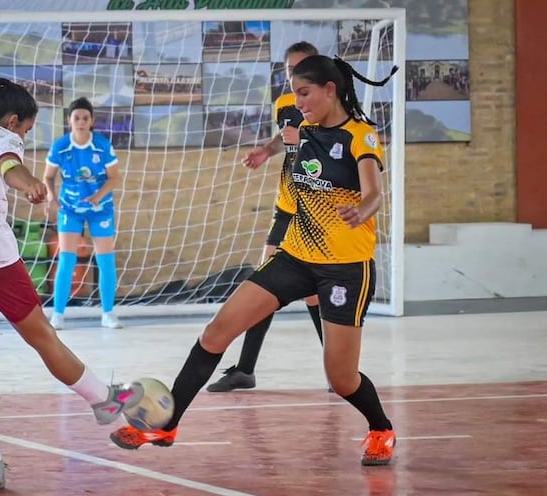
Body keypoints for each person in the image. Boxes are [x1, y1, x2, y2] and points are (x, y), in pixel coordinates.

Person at [109, 55, 399, 466]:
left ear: (329, 90)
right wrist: (265, 151)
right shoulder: (308, 129)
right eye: (295, 93)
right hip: (295, 257)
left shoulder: (360, 136)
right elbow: (288, 138)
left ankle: (381, 428)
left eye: (305, 93)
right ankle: (166, 424)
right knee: (216, 332)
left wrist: (363, 210)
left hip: (345, 269)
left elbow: (373, 189)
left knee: (341, 377)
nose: (297, 102)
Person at [0, 78, 142, 491]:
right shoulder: (1, 136)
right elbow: (8, 167)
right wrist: (31, 184)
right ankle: (103, 402)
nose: (22, 137)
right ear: (14, 120)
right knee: (43, 339)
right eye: (26, 131)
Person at [206, 41, 326, 393]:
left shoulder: (333, 104)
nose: (295, 75)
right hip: (287, 203)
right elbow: (284, 137)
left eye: (302, 67)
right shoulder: (285, 103)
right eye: (290, 69)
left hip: (316, 205)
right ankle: (245, 369)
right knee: (265, 283)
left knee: (312, 294)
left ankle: (338, 371)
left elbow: (334, 148)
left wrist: (301, 139)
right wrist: (267, 150)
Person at [44, 97, 123, 330]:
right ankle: (58, 314)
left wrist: (98, 196)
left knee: (105, 260)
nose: (80, 122)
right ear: (69, 120)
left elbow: (114, 177)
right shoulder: (60, 146)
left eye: (85, 118)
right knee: (67, 259)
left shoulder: (102, 145)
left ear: (92, 121)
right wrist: (51, 195)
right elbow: (48, 176)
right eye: (76, 117)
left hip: (100, 209)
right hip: (70, 208)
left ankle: (108, 313)